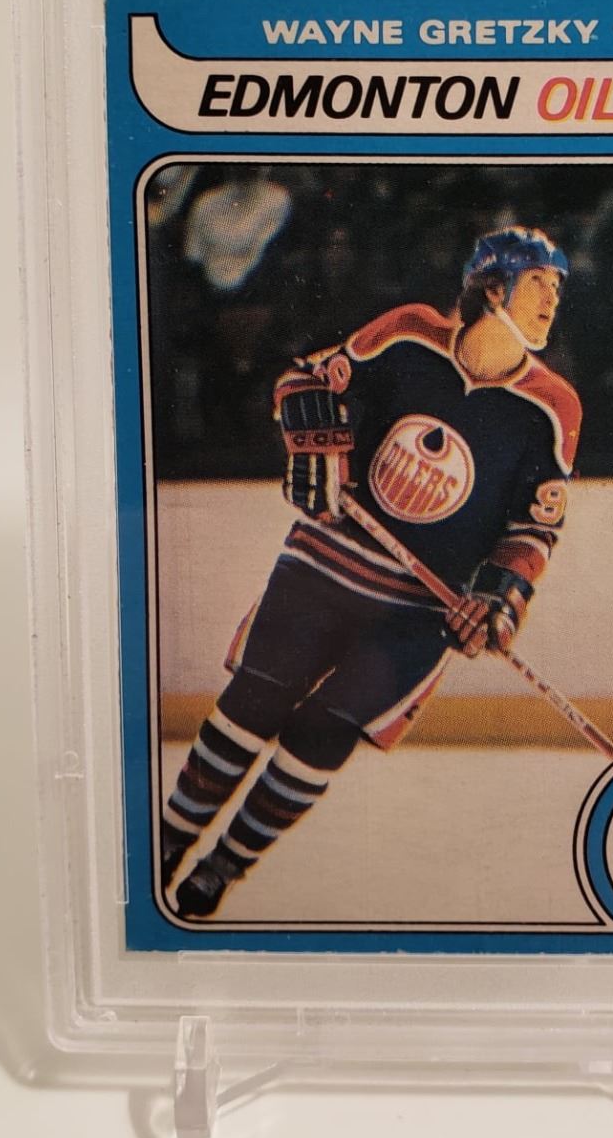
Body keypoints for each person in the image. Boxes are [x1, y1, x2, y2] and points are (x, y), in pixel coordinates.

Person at [161, 227, 582, 920]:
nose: (551, 300)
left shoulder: (552, 407)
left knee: (322, 734)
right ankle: (169, 841)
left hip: (417, 614)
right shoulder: (409, 333)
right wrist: (311, 436)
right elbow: (304, 379)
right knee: (253, 702)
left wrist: (498, 597)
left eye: (557, 288)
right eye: (538, 282)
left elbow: (534, 527)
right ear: (492, 287)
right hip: (323, 563)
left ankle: (223, 866)